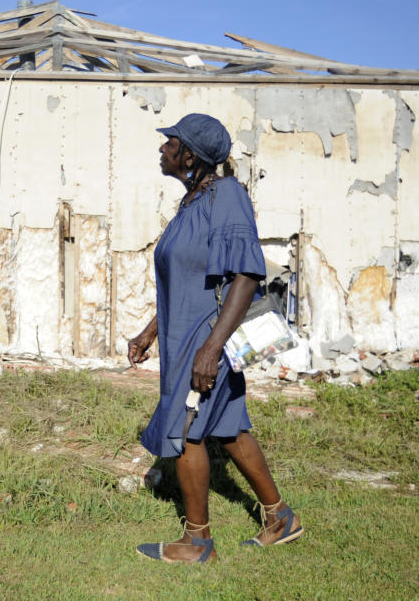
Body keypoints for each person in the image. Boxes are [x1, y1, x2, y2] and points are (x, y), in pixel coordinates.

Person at [128, 113, 303, 564]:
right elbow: (186, 279)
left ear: (190, 155)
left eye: (170, 143)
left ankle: (198, 542)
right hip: (184, 335)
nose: (162, 149)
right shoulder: (193, 201)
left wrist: (209, 350)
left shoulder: (227, 197)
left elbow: (245, 276)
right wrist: (150, 332)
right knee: (227, 426)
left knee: (184, 430)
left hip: (208, 339)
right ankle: (280, 517)